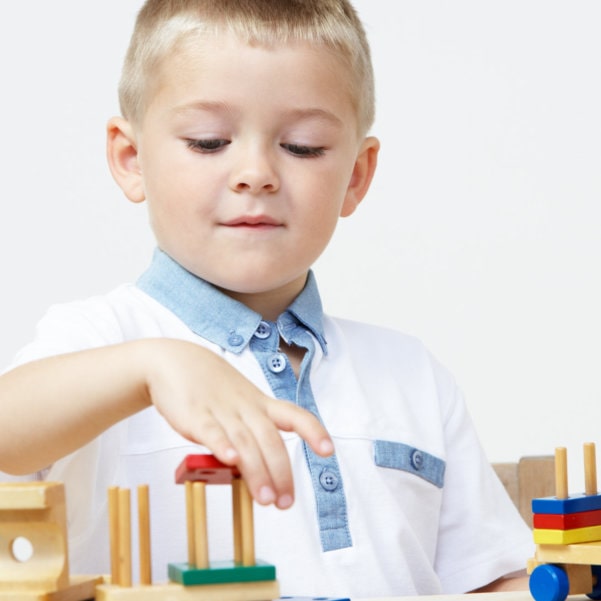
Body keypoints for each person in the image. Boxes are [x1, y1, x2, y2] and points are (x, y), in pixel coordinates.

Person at [0, 0, 533, 597]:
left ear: (356, 176)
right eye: (208, 142)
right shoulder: (104, 338)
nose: (256, 173)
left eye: (303, 147)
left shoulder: (413, 376)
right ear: (132, 160)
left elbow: (488, 578)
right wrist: (152, 366)